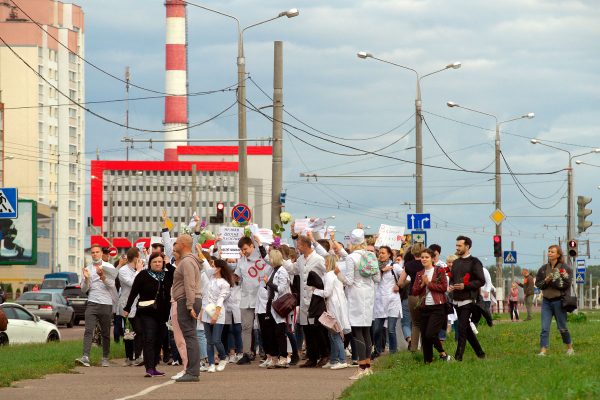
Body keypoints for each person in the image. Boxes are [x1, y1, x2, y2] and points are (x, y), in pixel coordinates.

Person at [124, 253, 174, 377]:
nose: (157, 264)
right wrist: (127, 307)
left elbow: (177, 273)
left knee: (160, 339)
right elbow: (134, 292)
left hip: (162, 313)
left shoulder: (168, 275)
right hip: (147, 312)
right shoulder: (143, 275)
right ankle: (149, 368)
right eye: (155, 262)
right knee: (149, 338)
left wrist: (168, 264)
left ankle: (154, 365)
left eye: (160, 262)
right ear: (150, 263)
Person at [284, 233, 327, 368]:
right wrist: (282, 259)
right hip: (303, 300)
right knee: (307, 330)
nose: (297, 248)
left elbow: (328, 270)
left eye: (298, 246)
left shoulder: (318, 258)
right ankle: (312, 357)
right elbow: (292, 269)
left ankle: (325, 354)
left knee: (318, 329)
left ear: (305, 245)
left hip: (316, 299)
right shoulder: (301, 259)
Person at [344, 228, 381, 380]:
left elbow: (349, 280)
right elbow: (377, 278)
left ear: (352, 242)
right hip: (369, 294)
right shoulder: (371, 255)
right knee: (366, 330)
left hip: (356, 296)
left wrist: (338, 275)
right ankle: (367, 367)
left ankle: (361, 367)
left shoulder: (351, 258)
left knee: (357, 331)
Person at [76, 244, 118, 368]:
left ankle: (105, 358)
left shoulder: (109, 267)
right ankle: (85, 356)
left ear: (101, 253)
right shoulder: (87, 268)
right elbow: (84, 289)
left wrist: (102, 276)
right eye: (93, 252)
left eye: (97, 252)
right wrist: (87, 279)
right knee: (88, 330)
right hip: (92, 302)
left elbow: (111, 285)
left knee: (105, 332)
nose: (95, 254)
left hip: (106, 303)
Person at [448, 236, 486, 361]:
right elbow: (452, 279)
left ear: (467, 246)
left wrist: (466, 285)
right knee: (466, 329)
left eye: (459, 245)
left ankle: (458, 358)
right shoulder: (456, 262)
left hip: (469, 300)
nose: (457, 248)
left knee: (461, 327)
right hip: (456, 300)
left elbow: (481, 280)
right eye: (457, 245)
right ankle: (480, 353)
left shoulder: (475, 262)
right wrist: (451, 286)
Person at [171, 234, 203, 382]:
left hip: (187, 300)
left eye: (176, 242)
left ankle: (192, 371)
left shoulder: (187, 262)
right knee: (190, 335)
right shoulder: (188, 261)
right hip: (187, 300)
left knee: (190, 336)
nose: (174, 244)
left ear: (183, 244)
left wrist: (190, 305)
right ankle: (192, 370)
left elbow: (189, 284)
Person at [412, 248, 452, 363]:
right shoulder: (419, 274)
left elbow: (443, 288)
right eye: (422, 257)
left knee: (430, 333)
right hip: (424, 307)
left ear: (432, 259)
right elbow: (414, 291)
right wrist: (422, 284)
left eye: (426, 257)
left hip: (438, 306)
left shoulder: (439, 271)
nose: (424, 259)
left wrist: (429, 284)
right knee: (424, 336)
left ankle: (443, 354)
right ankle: (428, 361)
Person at [235, 235, 268, 365]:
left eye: (245, 249)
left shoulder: (262, 257)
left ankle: (267, 352)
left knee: (263, 327)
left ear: (252, 246)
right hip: (245, 298)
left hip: (260, 297)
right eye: (242, 250)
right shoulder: (241, 260)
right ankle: (247, 353)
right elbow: (237, 277)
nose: (244, 252)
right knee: (246, 327)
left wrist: (260, 242)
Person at [535, 245, 574, 356]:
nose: (550, 253)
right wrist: (546, 280)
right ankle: (543, 351)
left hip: (559, 301)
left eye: (552, 252)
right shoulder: (543, 269)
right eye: (549, 251)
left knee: (562, 327)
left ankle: (570, 348)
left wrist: (555, 280)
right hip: (546, 302)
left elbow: (567, 284)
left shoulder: (565, 268)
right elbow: (538, 284)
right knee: (544, 328)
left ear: (558, 254)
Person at [313, 254, 351, 369]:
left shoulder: (329, 275)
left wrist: (315, 291)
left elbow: (327, 292)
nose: (324, 263)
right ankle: (334, 359)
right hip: (339, 304)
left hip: (334, 306)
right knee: (332, 333)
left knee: (334, 333)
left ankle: (342, 359)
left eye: (325, 262)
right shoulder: (335, 275)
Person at [201, 259, 233, 373]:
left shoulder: (225, 283)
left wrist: (216, 315)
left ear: (219, 268)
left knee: (216, 340)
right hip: (206, 311)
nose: (211, 267)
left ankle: (223, 357)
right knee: (209, 341)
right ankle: (211, 364)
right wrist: (199, 250)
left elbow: (221, 299)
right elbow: (204, 263)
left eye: (213, 266)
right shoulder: (210, 278)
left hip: (218, 313)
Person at [264, 248, 292, 368]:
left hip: (279, 305)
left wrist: (268, 283)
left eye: (270, 257)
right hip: (270, 304)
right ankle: (274, 357)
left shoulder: (282, 271)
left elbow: (281, 289)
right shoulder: (272, 270)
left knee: (279, 332)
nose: (269, 259)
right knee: (269, 332)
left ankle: (283, 357)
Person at [372, 246, 402, 356]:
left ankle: (393, 353)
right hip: (380, 301)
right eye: (379, 253)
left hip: (392, 300)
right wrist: (382, 270)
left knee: (391, 329)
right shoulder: (375, 267)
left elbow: (406, 277)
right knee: (376, 330)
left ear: (389, 254)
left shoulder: (395, 266)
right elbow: (373, 278)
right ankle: (377, 350)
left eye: (383, 253)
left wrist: (399, 285)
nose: (381, 255)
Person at [118, 247, 145, 366]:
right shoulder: (123, 270)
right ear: (135, 258)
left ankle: (138, 355)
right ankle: (129, 357)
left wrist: (140, 270)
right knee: (128, 332)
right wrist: (138, 271)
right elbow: (132, 283)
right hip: (127, 305)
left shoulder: (138, 269)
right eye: (139, 257)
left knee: (139, 330)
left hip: (138, 304)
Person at [399, 243, 425, 351]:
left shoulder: (408, 265)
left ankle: (414, 348)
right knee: (425, 323)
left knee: (415, 324)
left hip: (412, 296)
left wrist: (408, 282)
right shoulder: (426, 264)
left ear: (412, 252)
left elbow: (400, 282)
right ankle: (425, 349)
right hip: (425, 295)